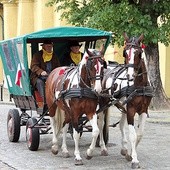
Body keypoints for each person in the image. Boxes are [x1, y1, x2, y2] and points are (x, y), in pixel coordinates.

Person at [30, 39, 60, 105]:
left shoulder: (54, 56)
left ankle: (58, 100)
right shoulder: (37, 55)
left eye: (50, 46)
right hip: (38, 77)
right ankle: (45, 102)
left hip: (51, 76)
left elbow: (58, 66)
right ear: (43, 47)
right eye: (48, 46)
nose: (49, 48)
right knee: (40, 83)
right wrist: (41, 72)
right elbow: (33, 66)